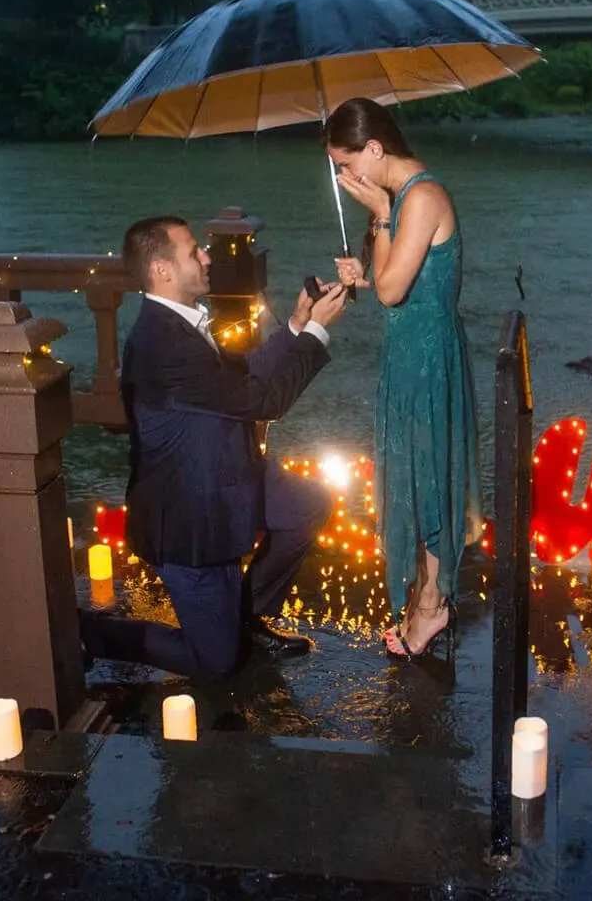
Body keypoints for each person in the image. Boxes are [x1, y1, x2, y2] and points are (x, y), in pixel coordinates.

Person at [79, 215, 348, 682]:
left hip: (227, 475)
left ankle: (246, 616)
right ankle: (91, 634)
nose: (207, 257)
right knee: (216, 663)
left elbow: (241, 374)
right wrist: (317, 334)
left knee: (306, 507)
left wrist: (296, 325)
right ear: (162, 270)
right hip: (190, 517)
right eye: (193, 252)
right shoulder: (164, 342)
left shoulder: (179, 324)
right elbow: (264, 401)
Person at [329, 97, 481, 659]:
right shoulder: (402, 198)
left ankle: (433, 607)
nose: (346, 177)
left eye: (347, 164)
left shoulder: (421, 197)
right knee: (414, 475)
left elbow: (395, 291)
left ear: (374, 148)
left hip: (428, 356)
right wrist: (361, 273)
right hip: (409, 350)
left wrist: (384, 218)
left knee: (431, 476)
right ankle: (426, 593)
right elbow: (391, 283)